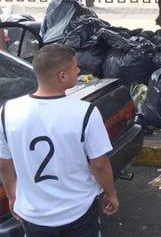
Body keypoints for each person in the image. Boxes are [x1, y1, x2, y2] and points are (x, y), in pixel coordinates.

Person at [0, 44, 118, 235]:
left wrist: (13, 197)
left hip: (34, 215)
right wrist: (111, 193)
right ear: (62, 76)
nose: (79, 70)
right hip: (79, 210)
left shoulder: (7, 111)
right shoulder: (85, 112)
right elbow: (99, 165)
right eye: (75, 67)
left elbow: (5, 165)